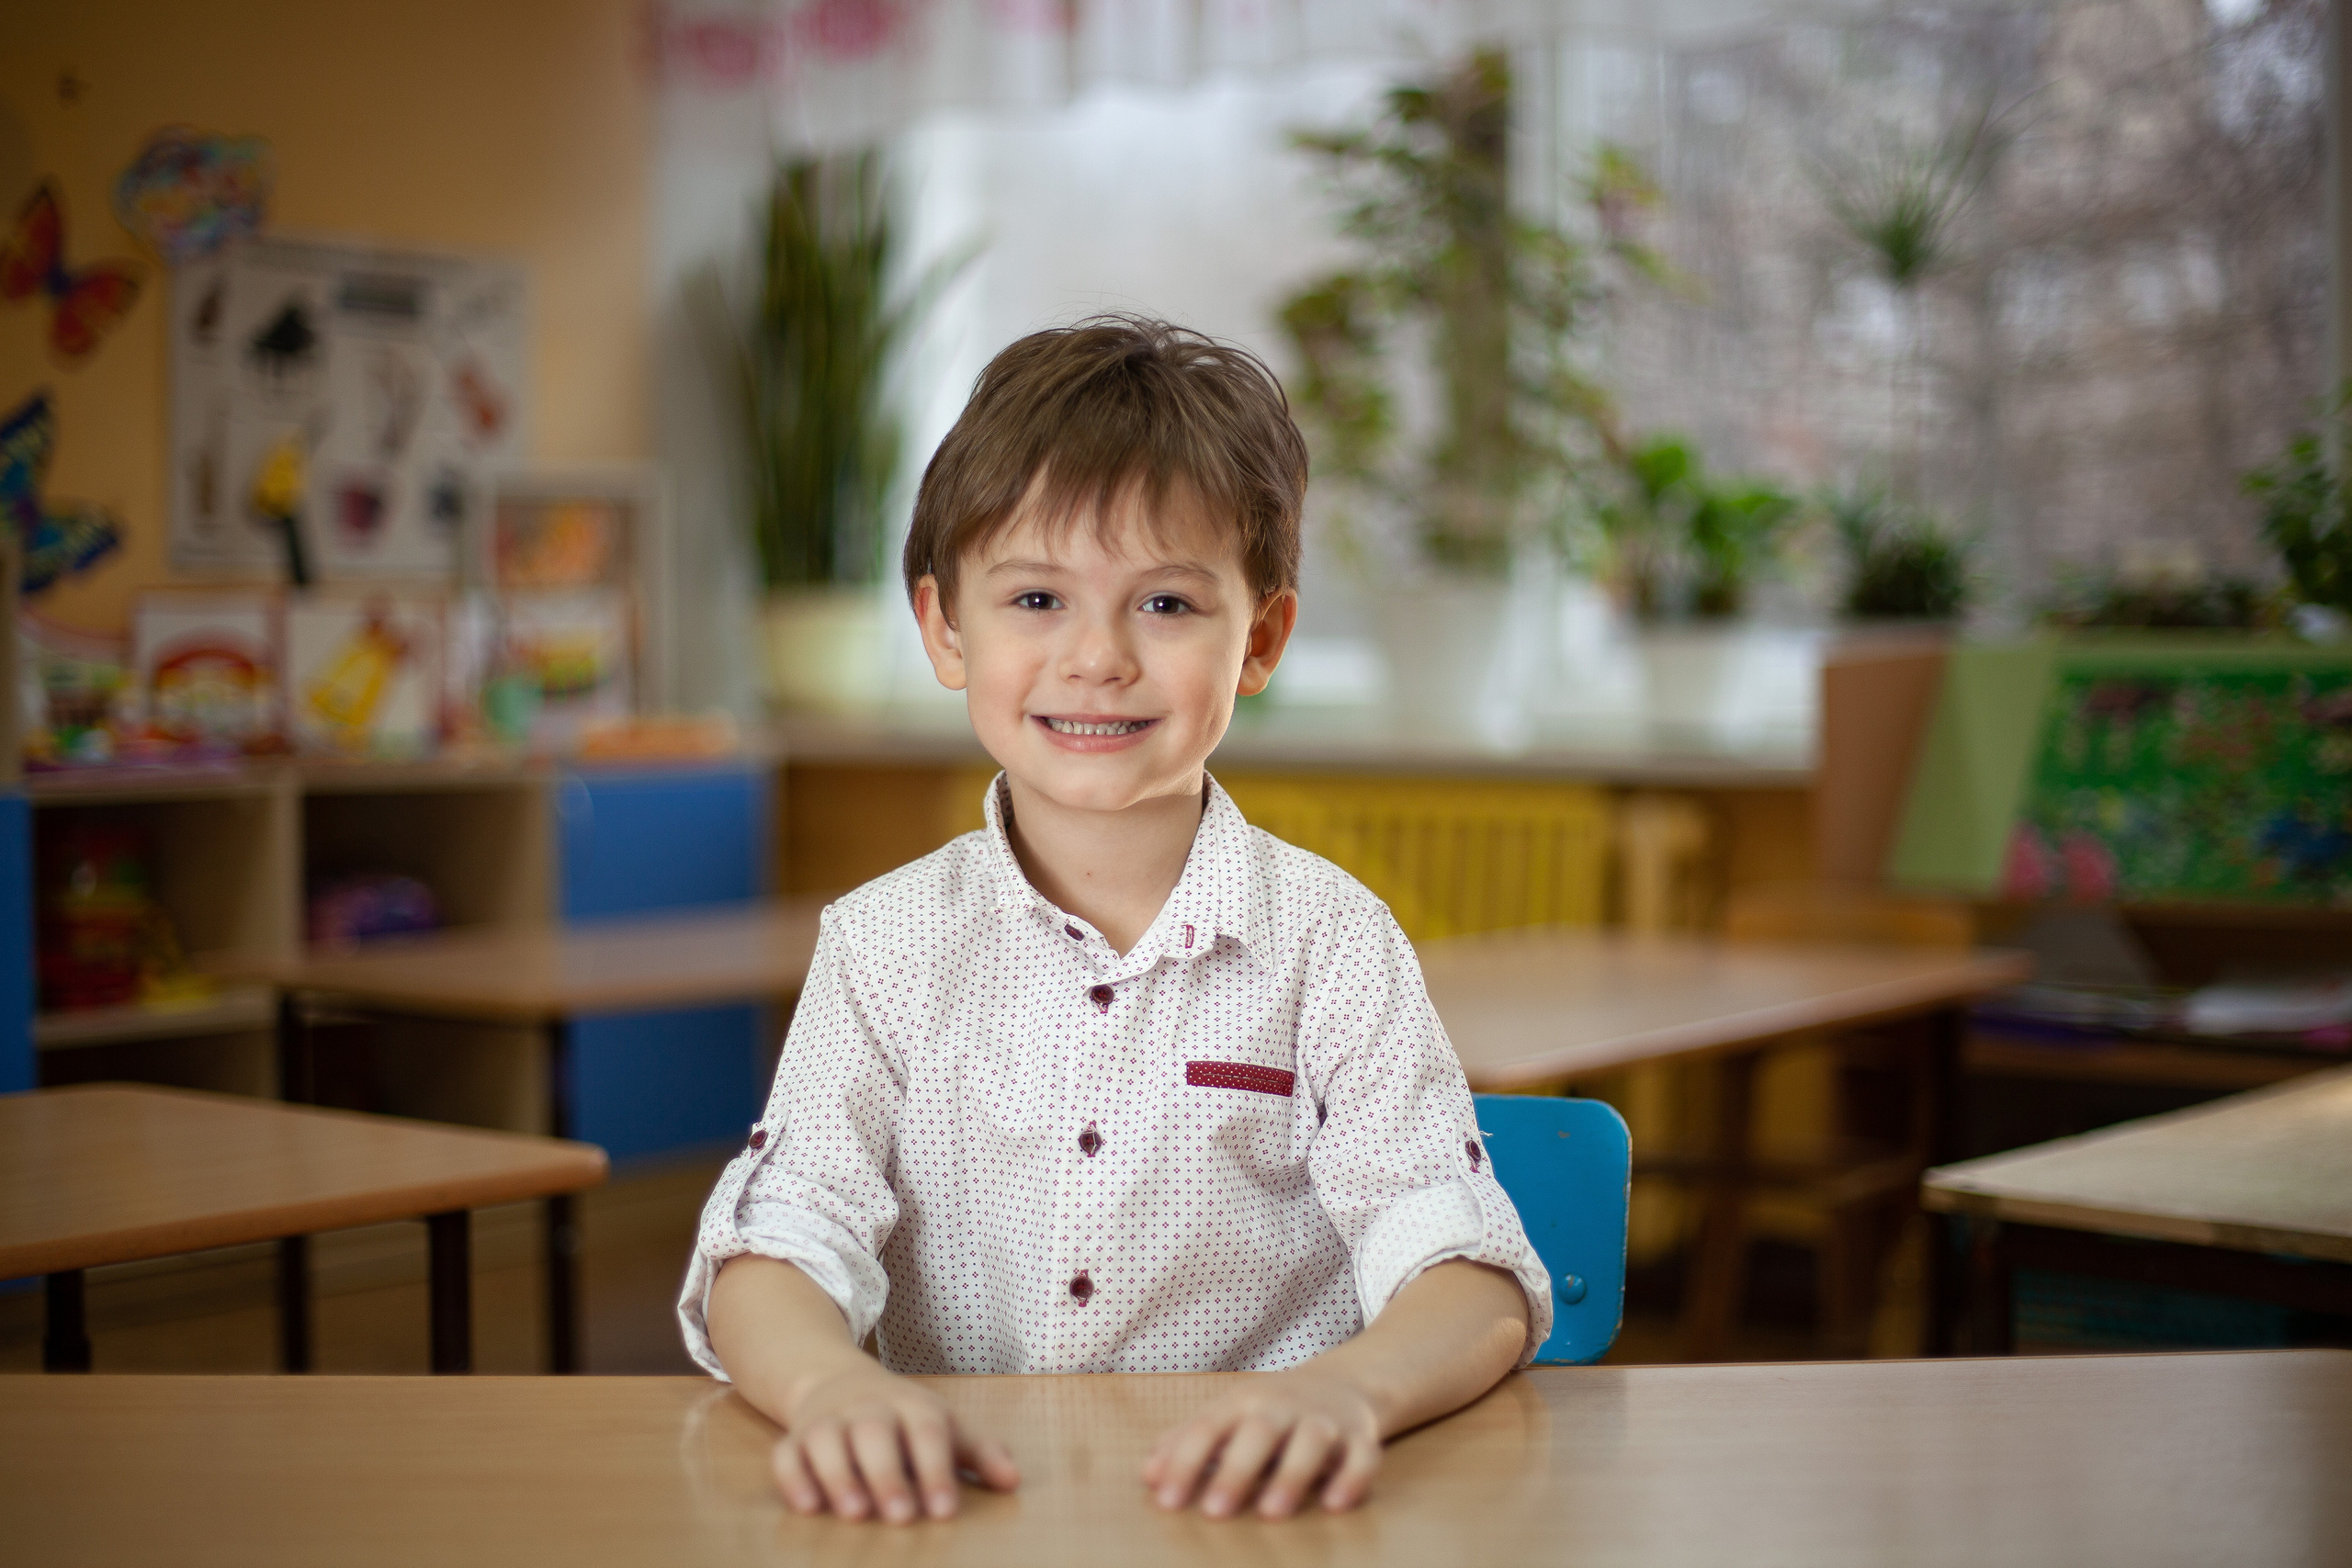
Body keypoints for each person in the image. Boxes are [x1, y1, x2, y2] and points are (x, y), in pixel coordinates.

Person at [683, 314, 1551, 1525]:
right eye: (1037, 597)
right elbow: (779, 1242)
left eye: (1168, 604)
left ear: (1262, 638)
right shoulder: (883, 945)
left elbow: (1466, 1269)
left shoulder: (1332, 941)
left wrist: (1345, 1393)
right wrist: (830, 1388)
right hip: (962, 1518)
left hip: (1261, 1522)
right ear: (944, 628)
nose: (1097, 658)